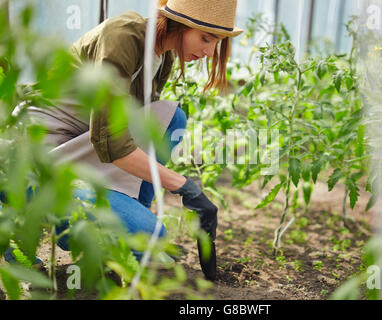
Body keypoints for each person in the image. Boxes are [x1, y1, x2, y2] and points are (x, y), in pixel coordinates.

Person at [1, 0, 243, 281]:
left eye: (216, 43)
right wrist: (186, 187)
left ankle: (124, 227)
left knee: (170, 119)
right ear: (178, 23)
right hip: (36, 158)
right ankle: (23, 223)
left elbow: (134, 132)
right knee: (147, 236)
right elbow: (113, 142)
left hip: (78, 148)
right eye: (205, 38)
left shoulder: (162, 57)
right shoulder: (123, 36)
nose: (209, 52)